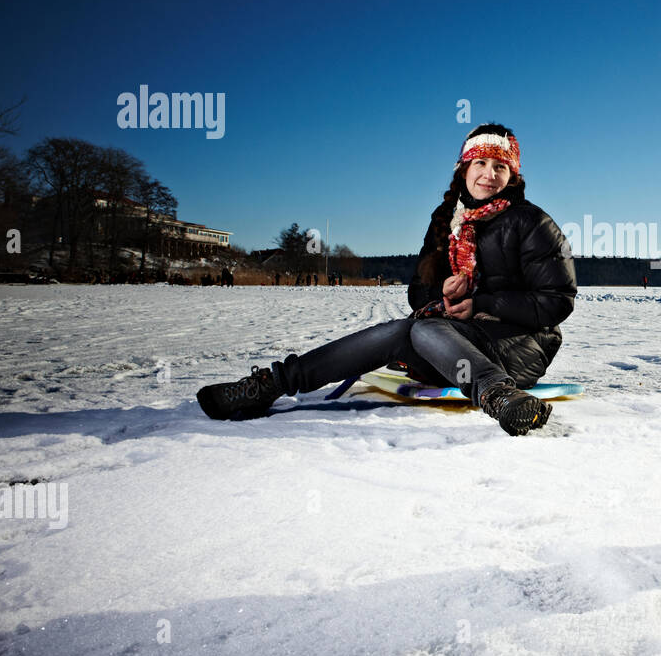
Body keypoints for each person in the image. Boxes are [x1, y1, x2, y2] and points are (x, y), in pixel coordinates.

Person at [196, 124, 577, 435]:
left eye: (500, 167)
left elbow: (557, 301)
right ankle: (271, 385)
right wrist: (439, 293)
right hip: (451, 342)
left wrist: (483, 303)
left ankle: (497, 394)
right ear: (464, 168)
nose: (489, 174)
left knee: (423, 331)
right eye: (480, 163)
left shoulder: (531, 222)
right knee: (407, 329)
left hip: (517, 346)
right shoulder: (446, 220)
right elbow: (418, 293)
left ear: (512, 177)